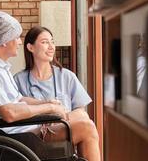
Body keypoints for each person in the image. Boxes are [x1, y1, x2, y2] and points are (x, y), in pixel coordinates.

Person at [14, 26, 101, 161]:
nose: (51, 47)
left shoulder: (66, 76)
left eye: (52, 41)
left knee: (84, 118)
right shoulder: (19, 80)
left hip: (61, 129)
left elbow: (80, 110)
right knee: (87, 126)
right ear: (30, 47)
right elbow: (16, 112)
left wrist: (58, 120)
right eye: (44, 42)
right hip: (34, 136)